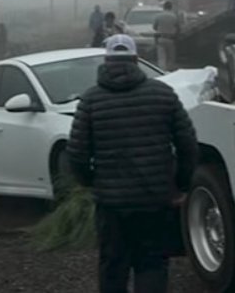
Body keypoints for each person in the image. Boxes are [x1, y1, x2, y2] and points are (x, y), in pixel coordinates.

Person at [67, 33, 198, 293]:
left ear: (106, 60)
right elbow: (188, 145)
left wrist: (93, 183)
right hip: (155, 199)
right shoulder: (163, 93)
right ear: (137, 59)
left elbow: (77, 153)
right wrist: (180, 186)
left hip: (112, 205)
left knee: (113, 267)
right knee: (151, 264)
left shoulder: (91, 100)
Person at [152, 0, 181, 71]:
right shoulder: (174, 16)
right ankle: (170, 70)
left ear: (163, 7)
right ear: (171, 7)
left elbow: (154, 27)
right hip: (171, 39)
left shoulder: (158, 16)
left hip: (161, 38)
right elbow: (178, 27)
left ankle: (162, 71)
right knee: (171, 57)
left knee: (161, 58)